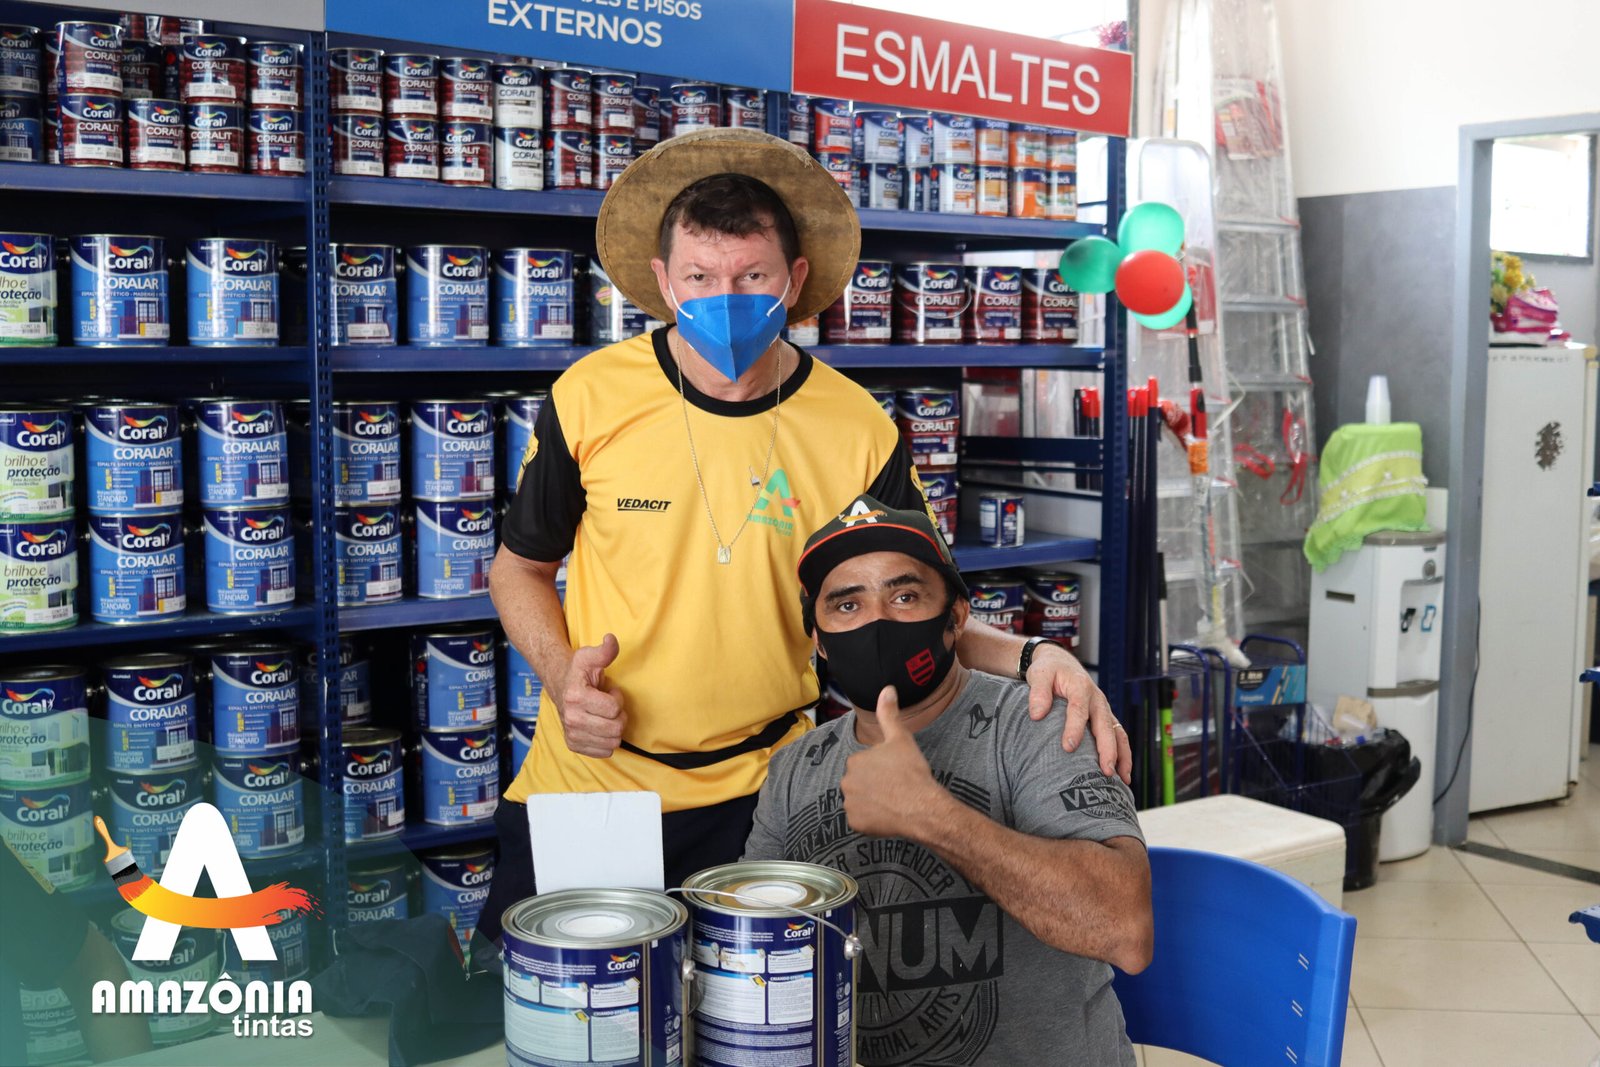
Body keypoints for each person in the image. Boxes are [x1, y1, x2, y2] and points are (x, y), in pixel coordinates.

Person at [483, 127, 1130, 942]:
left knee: (762, 1009)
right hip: (593, 782)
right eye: (700, 277)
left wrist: (1036, 656)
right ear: (663, 281)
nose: (724, 298)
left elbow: (917, 608)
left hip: (773, 791)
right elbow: (518, 569)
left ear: (793, 280)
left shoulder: (856, 428)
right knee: (559, 1006)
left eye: (751, 276)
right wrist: (561, 678)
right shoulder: (591, 397)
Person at [743, 494, 1153, 1066]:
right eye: (847, 605)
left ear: (956, 617)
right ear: (819, 639)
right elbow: (750, 953)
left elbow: (1125, 931)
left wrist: (931, 815)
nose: (877, 623)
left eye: (904, 596)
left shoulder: (1038, 721)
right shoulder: (795, 769)